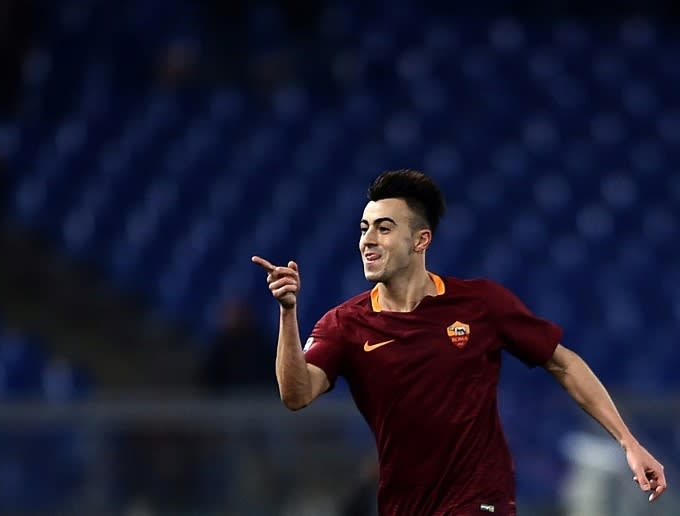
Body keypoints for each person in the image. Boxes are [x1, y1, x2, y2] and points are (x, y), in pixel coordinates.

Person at [251, 169, 667, 515]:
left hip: (481, 501)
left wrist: (628, 442)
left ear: (421, 240)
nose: (368, 240)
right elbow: (296, 394)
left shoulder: (480, 304)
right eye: (364, 229)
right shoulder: (345, 324)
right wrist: (288, 313)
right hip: (404, 505)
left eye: (384, 228)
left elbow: (563, 363)